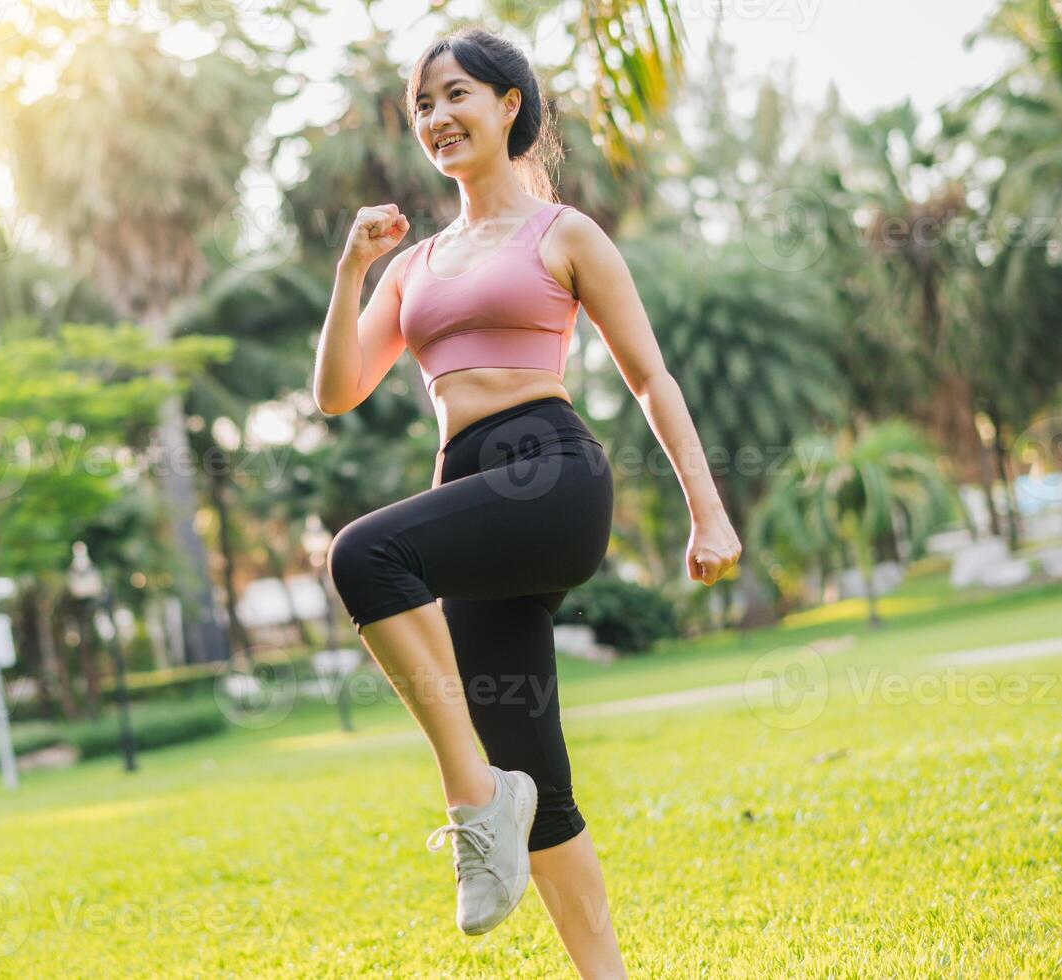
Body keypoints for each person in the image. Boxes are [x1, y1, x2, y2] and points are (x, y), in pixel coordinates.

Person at [312, 26, 742, 974]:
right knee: (538, 779)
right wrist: (351, 272)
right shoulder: (414, 264)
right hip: (465, 488)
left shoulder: (564, 234)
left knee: (361, 555)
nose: (437, 117)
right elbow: (337, 390)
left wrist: (707, 513)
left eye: (456, 94)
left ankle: (469, 796)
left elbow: (650, 379)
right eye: (423, 104)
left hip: (548, 474)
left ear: (510, 105)